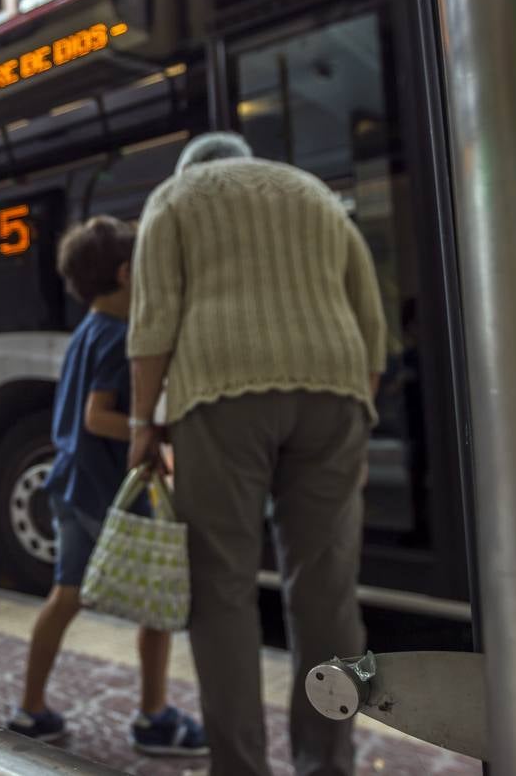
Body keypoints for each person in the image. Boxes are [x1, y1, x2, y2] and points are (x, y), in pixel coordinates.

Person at [126, 132, 386, 776]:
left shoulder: (176, 194)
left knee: (222, 590)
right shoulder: (316, 194)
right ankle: (329, 763)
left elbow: (155, 317)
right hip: (337, 388)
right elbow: (372, 324)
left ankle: (241, 768)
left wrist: (142, 420)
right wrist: (356, 402)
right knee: (328, 594)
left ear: (197, 169)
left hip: (218, 393)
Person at [7, 216, 207, 758]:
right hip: (105, 490)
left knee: (65, 596)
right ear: (125, 274)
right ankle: (153, 715)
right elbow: (100, 417)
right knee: (156, 602)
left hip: (69, 483)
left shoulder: (84, 333)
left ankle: (31, 708)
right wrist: (155, 429)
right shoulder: (121, 339)